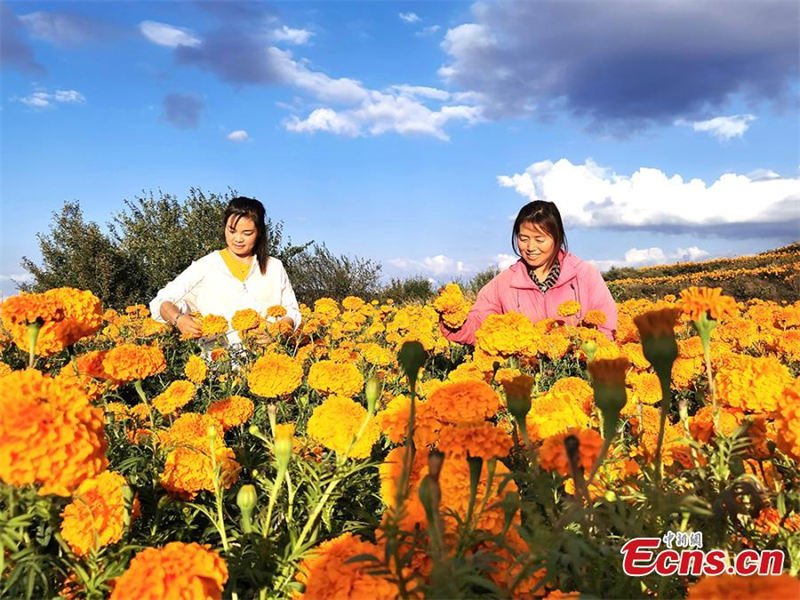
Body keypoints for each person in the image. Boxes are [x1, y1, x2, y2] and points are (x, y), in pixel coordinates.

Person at [440, 200, 617, 345]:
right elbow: (479, 326)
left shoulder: (585, 275)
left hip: (580, 369)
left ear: (558, 238)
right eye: (523, 239)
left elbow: (607, 326)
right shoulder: (504, 283)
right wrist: (453, 316)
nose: (531, 247)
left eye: (540, 240)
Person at [149, 196, 301, 345]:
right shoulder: (206, 265)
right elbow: (162, 301)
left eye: (247, 233)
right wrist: (178, 319)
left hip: (268, 359)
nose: (238, 239)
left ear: (259, 232)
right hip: (220, 361)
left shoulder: (274, 267)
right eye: (232, 231)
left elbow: (291, 310)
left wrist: (278, 330)